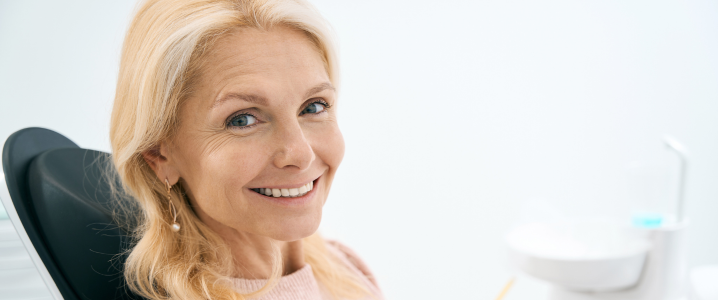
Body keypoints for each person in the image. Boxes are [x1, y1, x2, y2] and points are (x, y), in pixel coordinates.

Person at [109, 0, 383, 299]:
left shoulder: (346, 270)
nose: (301, 154)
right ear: (158, 154)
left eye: (314, 106)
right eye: (243, 120)